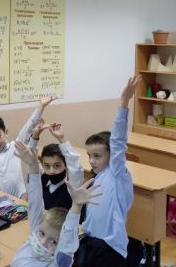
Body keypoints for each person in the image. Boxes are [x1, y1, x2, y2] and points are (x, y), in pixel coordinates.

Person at [74, 75, 141, 267]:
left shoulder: (116, 174)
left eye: (97, 156)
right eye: (90, 155)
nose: (92, 161)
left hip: (110, 249)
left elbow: (118, 140)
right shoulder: (98, 178)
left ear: (113, 157)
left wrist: (124, 102)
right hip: (91, 242)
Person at [11, 141, 101, 267]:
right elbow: (35, 204)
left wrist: (76, 206)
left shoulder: (60, 261)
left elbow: (68, 240)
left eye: (54, 242)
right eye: (42, 233)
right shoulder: (35, 236)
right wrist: (33, 166)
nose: (42, 242)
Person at [29, 122, 83, 211]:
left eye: (57, 166)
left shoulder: (71, 186)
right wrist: (35, 136)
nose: (51, 171)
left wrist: (61, 138)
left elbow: (76, 167)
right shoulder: (43, 178)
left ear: (66, 165)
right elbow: (29, 158)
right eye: (47, 166)